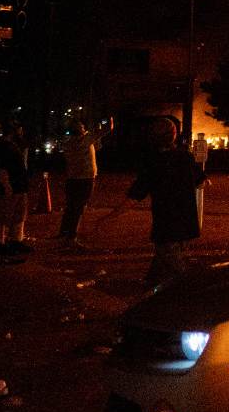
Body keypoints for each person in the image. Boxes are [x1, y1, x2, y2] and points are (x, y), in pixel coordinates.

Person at [128, 117, 205, 287]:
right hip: (185, 220)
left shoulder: (153, 162)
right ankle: (150, 283)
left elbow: (136, 193)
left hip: (167, 222)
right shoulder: (185, 156)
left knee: (173, 261)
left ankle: (194, 291)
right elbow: (201, 181)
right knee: (166, 254)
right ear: (174, 135)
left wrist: (110, 216)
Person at [58, 117, 112, 247]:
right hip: (85, 178)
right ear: (80, 130)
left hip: (71, 178)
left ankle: (64, 232)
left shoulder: (68, 143)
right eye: (82, 126)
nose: (84, 128)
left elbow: (96, 147)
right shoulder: (86, 140)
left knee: (71, 206)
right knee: (79, 207)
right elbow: (108, 128)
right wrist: (109, 119)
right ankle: (72, 237)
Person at [0, 121, 32, 256]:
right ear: (13, 132)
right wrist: (6, 186)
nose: (22, 132)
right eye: (20, 130)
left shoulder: (14, 146)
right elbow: (1, 169)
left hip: (18, 187)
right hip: (8, 188)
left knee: (18, 216)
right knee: (2, 216)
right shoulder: (2, 147)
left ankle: (15, 241)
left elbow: (25, 146)